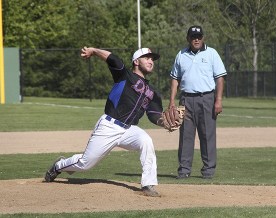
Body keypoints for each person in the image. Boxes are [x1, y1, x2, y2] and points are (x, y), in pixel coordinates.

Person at [44, 47, 164, 197]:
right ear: (136, 61)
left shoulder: (152, 92)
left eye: (152, 59)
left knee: (146, 141)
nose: (150, 61)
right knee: (85, 164)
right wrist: (93, 51)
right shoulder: (124, 75)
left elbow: (154, 115)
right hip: (109, 126)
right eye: (146, 57)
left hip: (129, 130)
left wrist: (165, 122)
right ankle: (58, 166)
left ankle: (148, 185)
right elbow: (113, 58)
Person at [169, 25, 227, 179]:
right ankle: (184, 170)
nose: (196, 39)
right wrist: (171, 102)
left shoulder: (211, 53)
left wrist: (218, 100)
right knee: (185, 136)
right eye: (193, 37)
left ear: (203, 38)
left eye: (199, 36)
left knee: (207, 135)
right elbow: (175, 78)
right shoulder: (181, 54)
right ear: (188, 38)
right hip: (186, 99)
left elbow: (220, 78)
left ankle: (208, 171)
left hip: (206, 98)